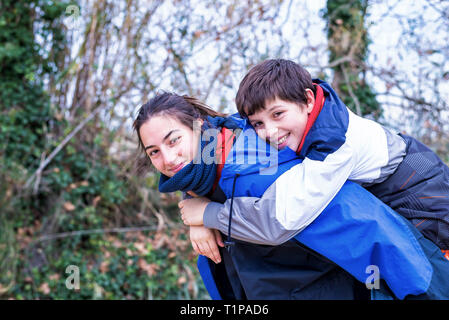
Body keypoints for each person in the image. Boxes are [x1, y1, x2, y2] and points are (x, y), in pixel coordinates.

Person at [134, 92, 449, 300]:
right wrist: (198, 212)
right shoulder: (207, 174)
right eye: (154, 152)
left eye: (173, 140)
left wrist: (426, 291)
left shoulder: (262, 166)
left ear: (199, 127)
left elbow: (367, 225)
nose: (169, 158)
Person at [180, 58, 449, 254]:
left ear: (308, 100)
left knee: (421, 277)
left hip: (423, 198)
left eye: (278, 115)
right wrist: (193, 192)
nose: (269, 132)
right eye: (258, 123)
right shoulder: (301, 106)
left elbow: (279, 222)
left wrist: (207, 213)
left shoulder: (335, 146)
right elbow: (210, 136)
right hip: (403, 170)